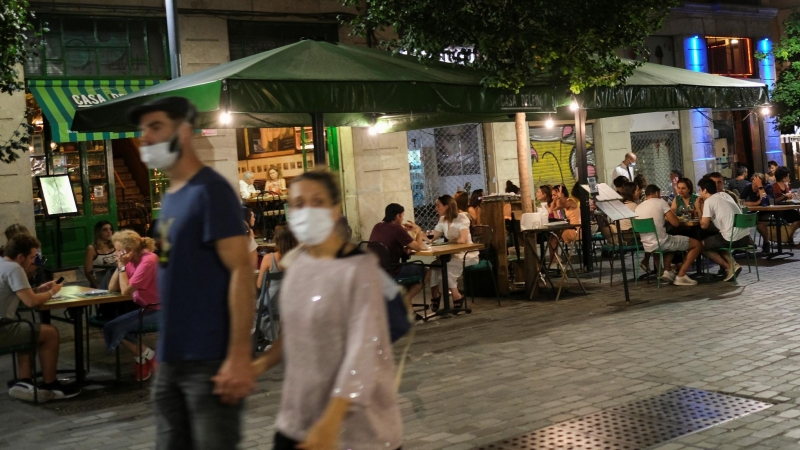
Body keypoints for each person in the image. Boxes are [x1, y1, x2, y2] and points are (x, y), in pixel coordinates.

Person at [129, 96, 255, 448]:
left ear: (183, 132)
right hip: (172, 359)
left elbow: (241, 274)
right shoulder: (171, 196)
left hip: (210, 361)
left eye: (155, 127)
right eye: (142, 130)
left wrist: (239, 356)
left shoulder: (211, 191)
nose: (145, 138)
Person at [252, 170, 403, 450]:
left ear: (334, 210)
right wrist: (258, 365)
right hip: (298, 421)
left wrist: (330, 423)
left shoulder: (359, 270)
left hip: (356, 432)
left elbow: (363, 352)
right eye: (298, 204)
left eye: (317, 201)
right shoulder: (296, 266)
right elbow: (293, 333)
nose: (307, 211)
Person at [2, 234, 80, 402]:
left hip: (6, 325)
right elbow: (30, 302)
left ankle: (24, 381)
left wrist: (40, 289)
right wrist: (52, 292)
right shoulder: (15, 268)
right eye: (31, 257)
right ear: (21, 257)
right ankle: (50, 384)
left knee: (27, 329)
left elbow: (23, 294)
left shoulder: (2, 264)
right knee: (50, 333)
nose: (32, 262)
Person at [105, 230, 160, 381]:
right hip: (145, 309)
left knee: (115, 328)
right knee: (110, 327)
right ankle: (147, 356)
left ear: (128, 250)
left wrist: (122, 266)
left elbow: (125, 290)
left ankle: (144, 360)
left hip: (160, 309)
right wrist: (120, 265)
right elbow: (111, 288)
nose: (115, 253)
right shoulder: (129, 261)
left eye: (117, 250)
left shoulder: (148, 261)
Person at [634, 185, 702, 286]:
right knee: (697, 245)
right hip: (662, 243)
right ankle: (681, 275)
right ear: (657, 193)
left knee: (671, 237)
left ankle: (667, 271)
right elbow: (675, 223)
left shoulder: (638, 207)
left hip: (647, 245)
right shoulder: (661, 202)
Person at [369, 203, 427, 303]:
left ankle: (409, 309)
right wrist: (418, 231)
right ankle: (406, 301)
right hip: (392, 272)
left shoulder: (377, 226)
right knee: (426, 272)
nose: (403, 219)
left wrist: (404, 246)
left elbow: (389, 246)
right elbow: (417, 247)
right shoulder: (397, 229)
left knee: (410, 270)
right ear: (398, 216)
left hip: (376, 271)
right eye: (403, 216)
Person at [429, 195, 478, 310]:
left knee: (445, 267)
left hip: (467, 254)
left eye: (438, 205)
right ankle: (435, 296)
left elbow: (463, 240)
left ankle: (457, 296)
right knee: (434, 266)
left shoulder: (462, 218)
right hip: (452, 254)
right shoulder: (442, 220)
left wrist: (451, 240)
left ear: (447, 206)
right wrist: (416, 231)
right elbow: (432, 237)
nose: (436, 208)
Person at [697, 178, 750, 281]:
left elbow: (703, 225)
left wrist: (698, 208)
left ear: (705, 190)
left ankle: (730, 267)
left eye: (700, 190)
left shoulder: (709, 201)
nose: (699, 192)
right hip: (745, 237)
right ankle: (732, 264)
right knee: (715, 238)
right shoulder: (725, 195)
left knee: (700, 245)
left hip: (732, 239)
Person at [740, 173, 774, 253]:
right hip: (753, 212)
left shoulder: (768, 187)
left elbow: (766, 202)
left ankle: (766, 242)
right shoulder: (748, 187)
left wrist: (760, 187)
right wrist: (755, 203)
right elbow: (741, 202)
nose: (755, 188)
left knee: (760, 223)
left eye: (757, 186)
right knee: (740, 221)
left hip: (766, 212)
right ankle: (748, 243)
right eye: (754, 185)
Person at [770, 165, 800, 242]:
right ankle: (789, 238)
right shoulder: (774, 186)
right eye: (787, 176)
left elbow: (787, 198)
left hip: (787, 209)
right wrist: (785, 196)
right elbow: (774, 201)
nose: (788, 178)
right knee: (798, 219)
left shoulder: (785, 186)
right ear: (783, 177)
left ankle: (789, 237)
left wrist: (792, 195)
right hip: (779, 211)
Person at [84, 221, 117, 289]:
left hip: (115, 282)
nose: (109, 232)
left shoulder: (115, 245)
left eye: (110, 229)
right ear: (99, 232)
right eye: (105, 229)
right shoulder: (92, 248)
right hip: (101, 282)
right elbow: (88, 272)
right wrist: (98, 286)